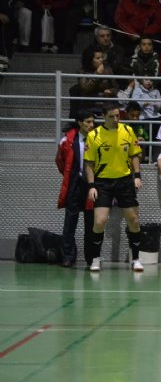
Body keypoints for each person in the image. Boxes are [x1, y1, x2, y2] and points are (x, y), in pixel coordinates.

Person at [84, 103, 144, 272]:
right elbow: (89, 162)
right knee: (100, 221)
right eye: (112, 116)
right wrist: (91, 186)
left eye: (118, 115)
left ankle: (136, 259)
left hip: (125, 181)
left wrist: (137, 176)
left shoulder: (127, 131)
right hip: (103, 183)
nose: (116, 119)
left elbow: (134, 155)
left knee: (133, 221)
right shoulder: (93, 135)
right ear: (104, 116)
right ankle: (96, 258)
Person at [56, 110, 95, 268]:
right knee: (70, 223)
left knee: (91, 224)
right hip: (75, 184)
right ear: (79, 122)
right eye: (87, 122)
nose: (91, 125)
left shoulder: (98, 139)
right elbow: (60, 161)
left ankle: (91, 258)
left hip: (93, 186)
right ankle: (68, 256)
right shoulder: (67, 140)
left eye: (93, 122)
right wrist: (71, 175)